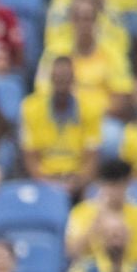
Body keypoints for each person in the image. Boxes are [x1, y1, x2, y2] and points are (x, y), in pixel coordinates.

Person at [21, 56, 101, 195]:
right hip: (44, 179)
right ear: (51, 79)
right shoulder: (31, 107)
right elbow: (31, 157)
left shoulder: (90, 109)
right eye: (57, 78)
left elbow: (92, 158)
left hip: (77, 180)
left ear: (73, 79)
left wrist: (78, 182)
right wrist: (48, 182)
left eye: (66, 78)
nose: (61, 83)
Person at [63, 158, 137, 268]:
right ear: (101, 185)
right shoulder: (82, 211)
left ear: (128, 184)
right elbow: (73, 253)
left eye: (120, 185)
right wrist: (93, 226)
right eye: (111, 185)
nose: (115, 191)